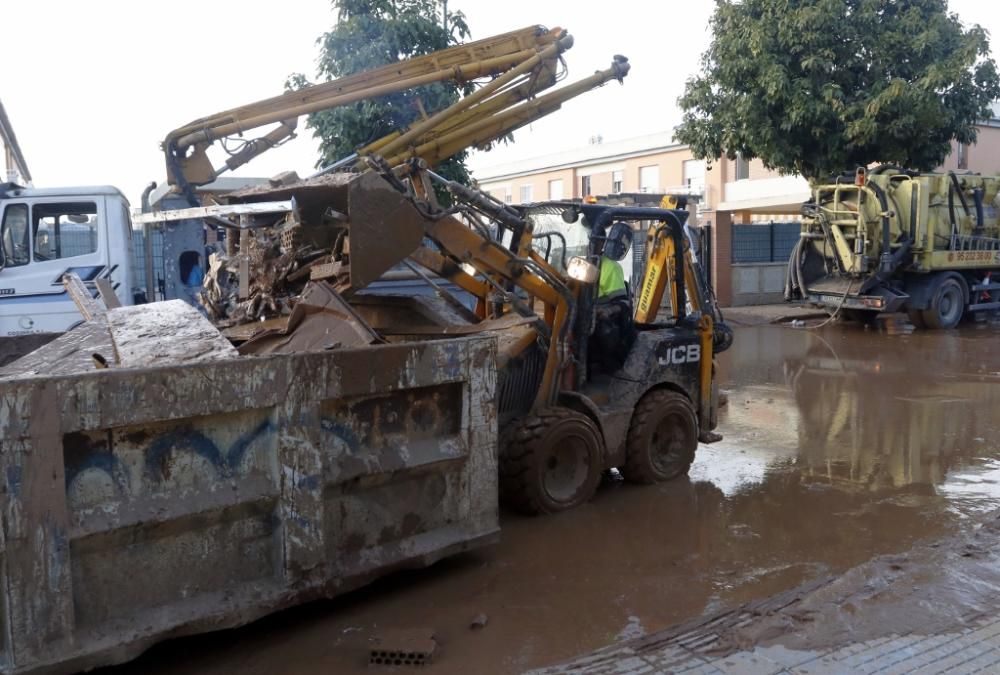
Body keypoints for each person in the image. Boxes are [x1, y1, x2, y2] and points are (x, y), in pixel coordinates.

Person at [591, 222, 636, 372]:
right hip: (580, 317)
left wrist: (607, 311)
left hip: (601, 321)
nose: (589, 244)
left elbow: (623, 303)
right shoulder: (579, 264)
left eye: (593, 240)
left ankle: (609, 368)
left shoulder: (610, 267)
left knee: (603, 331)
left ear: (601, 242)